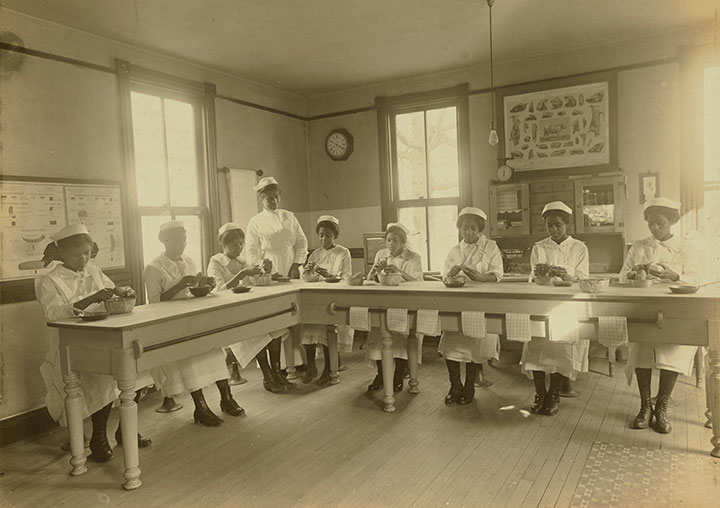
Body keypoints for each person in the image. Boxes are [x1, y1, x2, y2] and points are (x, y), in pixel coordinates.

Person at [35, 224, 151, 462]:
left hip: (102, 337)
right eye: (78, 254)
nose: (84, 258)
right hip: (69, 344)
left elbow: (111, 292)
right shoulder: (48, 280)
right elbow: (53, 313)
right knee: (92, 388)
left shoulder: (95, 271)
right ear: (61, 254)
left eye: (87, 253)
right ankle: (96, 438)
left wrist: (121, 292)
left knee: (127, 377)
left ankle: (115, 432)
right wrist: (92, 298)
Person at [144, 220, 244, 426]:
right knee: (189, 359)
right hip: (170, 325)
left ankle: (227, 398)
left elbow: (193, 290)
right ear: (164, 240)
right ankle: (201, 407)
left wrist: (204, 285)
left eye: (184, 239)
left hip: (193, 318)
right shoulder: (153, 268)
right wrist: (180, 285)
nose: (182, 243)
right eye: (177, 240)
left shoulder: (188, 261)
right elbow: (153, 302)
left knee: (215, 351)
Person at [620, 197, 700, 434]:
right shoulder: (638, 246)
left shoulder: (687, 248)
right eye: (651, 223)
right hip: (643, 307)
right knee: (641, 352)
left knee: (672, 353)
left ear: (673, 221)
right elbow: (622, 276)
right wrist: (634, 273)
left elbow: (697, 279)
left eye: (660, 223)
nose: (655, 228)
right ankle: (645, 406)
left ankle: (661, 406)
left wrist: (673, 275)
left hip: (675, 309)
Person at [522, 201, 590, 416]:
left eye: (558, 225)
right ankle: (539, 392)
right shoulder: (540, 247)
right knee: (537, 346)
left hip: (566, 305)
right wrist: (542, 275)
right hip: (542, 303)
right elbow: (533, 278)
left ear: (566, 224)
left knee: (561, 349)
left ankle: (554, 395)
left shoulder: (579, 247)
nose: (554, 229)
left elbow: (584, 279)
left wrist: (568, 276)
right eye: (550, 225)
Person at [207, 222, 286, 394]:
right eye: (234, 244)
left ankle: (277, 372)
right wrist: (242, 274)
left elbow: (254, 283)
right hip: (226, 313)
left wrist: (266, 271)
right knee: (256, 331)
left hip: (246, 309)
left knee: (276, 327)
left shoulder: (243, 261)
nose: (239, 247)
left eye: (241, 243)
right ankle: (267, 376)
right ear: (223, 245)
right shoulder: (215, 263)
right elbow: (219, 291)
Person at [245, 177, 308, 385]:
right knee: (275, 321)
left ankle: (295, 363)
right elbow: (252, 251)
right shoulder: (255, 222)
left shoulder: (289, 216)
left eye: (276, 196)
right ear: (261, 199)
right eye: (269, 198)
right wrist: (264, 270)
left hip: (290, 266)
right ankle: (276, 369)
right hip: (269, 271)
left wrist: (296, 264)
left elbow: (301, 242)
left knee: (294, 317)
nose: (273, 201)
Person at [440, 207, 503, 405]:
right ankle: (454, 385)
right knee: (451, 343)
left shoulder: (491, 247)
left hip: (480, 302)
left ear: (480, 229)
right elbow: (445, 277)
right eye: (464, 228)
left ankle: (469, 387)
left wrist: (481, 277)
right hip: (457, 303)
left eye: (472, 228)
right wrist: (450, 274)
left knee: (476, 345)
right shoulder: (455, 250)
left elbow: (497, 274)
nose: (468, 232)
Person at [365, 222, 423, 392]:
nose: (391, 244)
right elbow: (371, 280)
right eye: (388, 240)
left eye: (395, 241)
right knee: (377, 336)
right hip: (383, 302)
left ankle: (398, 375)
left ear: (404, 242)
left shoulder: (414, 257)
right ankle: (381, 375)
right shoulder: (381, 254)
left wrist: (398, 270)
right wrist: (374, 271)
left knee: (401, 338)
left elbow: (418, 282)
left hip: (404, 304)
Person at [299, 215, 354, 385]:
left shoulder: (343, 252)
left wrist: (329, 275)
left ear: (335, 236)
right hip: (316, 297)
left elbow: (347, 277)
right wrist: (308, 271)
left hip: (335, 298)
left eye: (328, 236)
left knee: (327, 329)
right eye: (321, 235)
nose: (324, 239)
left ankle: (330, 368)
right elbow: (308, 278)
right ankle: (311, 366)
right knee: (306, 324)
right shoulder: (315, 254)